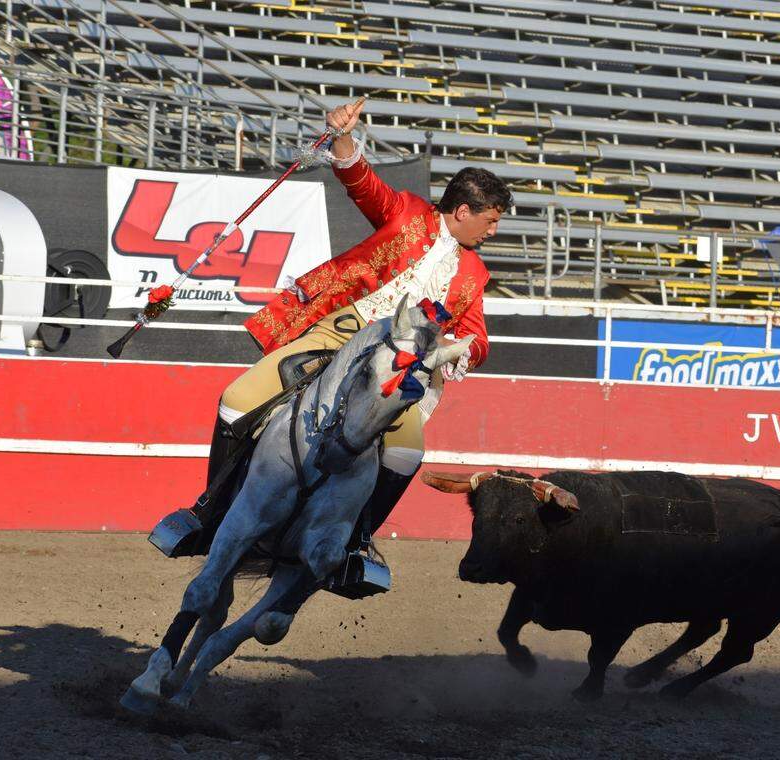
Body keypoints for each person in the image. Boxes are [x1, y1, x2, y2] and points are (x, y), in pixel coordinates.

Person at [153, 99, 512, 556]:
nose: (493, 231)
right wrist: (341, 135)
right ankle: (210, 510)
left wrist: (454, 344)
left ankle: (357, 544)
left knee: (406, 454)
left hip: (402, 369)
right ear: (463, 211)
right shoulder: (405, 214)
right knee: (235, 401)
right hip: (339, 331)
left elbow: (478, 339)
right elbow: (361, 182)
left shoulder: (475, 274)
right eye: (491, 220)